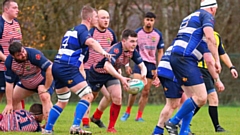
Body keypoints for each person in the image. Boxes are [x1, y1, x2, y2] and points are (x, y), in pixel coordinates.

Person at [42, 5, 112, 135]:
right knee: (88, 95)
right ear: (90, 19)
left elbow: (76, 53)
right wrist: (103, 52)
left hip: (58, 66)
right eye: (96, 16)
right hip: (67, 67)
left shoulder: (71, 30)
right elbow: (91, 43)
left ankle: (47, 130)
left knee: (62, 100)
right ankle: (75, 126)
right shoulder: (83, 30)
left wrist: (82, 72)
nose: (98, 18)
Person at [164, 0, 225, 135]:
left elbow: (205, 50)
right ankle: (173, 122)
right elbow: (210, 38)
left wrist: (214, 69)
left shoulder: (190, 18)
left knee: (192, 98)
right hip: (185, 59)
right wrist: (218, 61)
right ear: (213, 9)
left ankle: (184, 132)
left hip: (176, 57)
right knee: (202, 97)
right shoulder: (206, 15)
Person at [87, 29, 147, 133]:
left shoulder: (133, 52)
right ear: (124, 41)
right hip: (97, 74)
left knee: (117, 97)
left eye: (136, 41)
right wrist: (122, 78)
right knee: (89, 97)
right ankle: (79, 120)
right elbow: (106, 66)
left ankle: (110, 128)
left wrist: (143, 74)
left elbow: (142, 65)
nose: (134, 44)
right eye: (132, 41)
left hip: (111, 75)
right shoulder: (116, 50)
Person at [121, 12, 164, 122]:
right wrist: (127, 64)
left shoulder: (158, 34)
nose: (149, 22)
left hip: (151, 65)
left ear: (154, 21)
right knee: (134, 88)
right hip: (139, 63)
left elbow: (160, 51)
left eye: (151, 20)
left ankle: (139, 116)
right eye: (147, 19)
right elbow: (128, 49)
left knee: (146, 92)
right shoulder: (137, 33)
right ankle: (127, 112)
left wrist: (159, 68)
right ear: (144, 20)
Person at [194, 31, 238, 132]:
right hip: (199, 69)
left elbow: (222, 53)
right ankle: (217, 127)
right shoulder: (197, 34)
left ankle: (180, 121)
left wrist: (231, 67)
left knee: (201, 100)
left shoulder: (216, 36)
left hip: (210, 71)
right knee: (210, 98)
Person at [2, 42, 53, 125]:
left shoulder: (34, 54)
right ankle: (22, 123)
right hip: (26, 83)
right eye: (19, 55)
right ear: (13, 56)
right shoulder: (9, 62)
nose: (23, 55)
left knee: (44, 96)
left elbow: (49, 68)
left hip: (42, 80)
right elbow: (9, 83)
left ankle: (49, 126)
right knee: (13, 99)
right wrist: (9, 104)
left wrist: (46, 87)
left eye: (23, 51)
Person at [82, 9, 117, 128]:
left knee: (110, 96)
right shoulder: (90, 32)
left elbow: (117, 50)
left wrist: (120, 66)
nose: (106, 20)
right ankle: (85, 122)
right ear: (96, 19)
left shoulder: (111, 33)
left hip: (106, 70)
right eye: (103, 18)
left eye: (108, 18)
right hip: (90, 70)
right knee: (89, 95)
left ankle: (96, 117)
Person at [0, 0, 22, 104]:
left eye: (17, 8)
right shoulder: (0, 23)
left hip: (16, 66)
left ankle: (17, 119)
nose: (17, 10)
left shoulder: (16, 23)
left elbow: (19, 43)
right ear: (6, 9)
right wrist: (7, 60)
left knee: (18, 94)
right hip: (2, 67)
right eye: (14, 8)